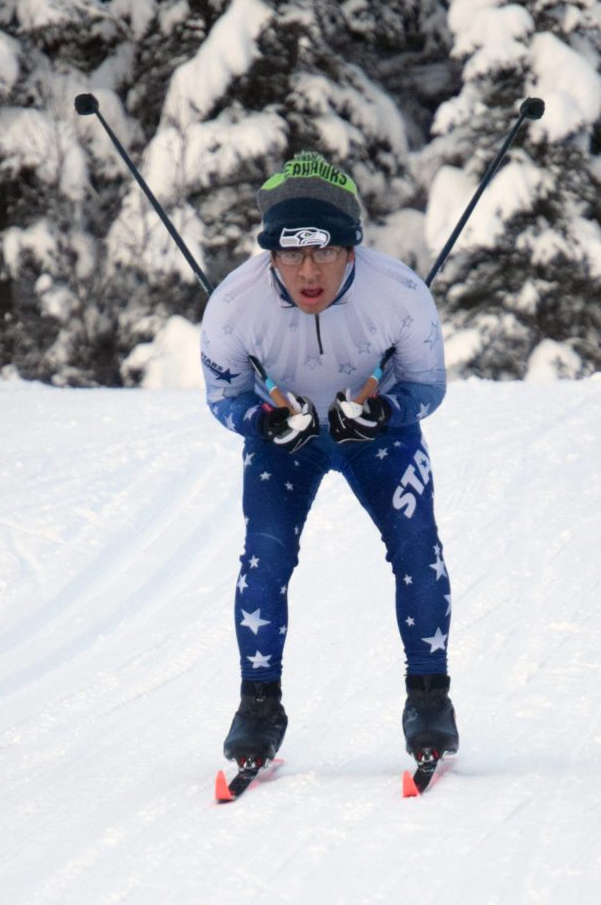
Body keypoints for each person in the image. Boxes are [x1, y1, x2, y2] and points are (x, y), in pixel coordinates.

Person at [200, 151, 458, 769]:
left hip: (374, 432)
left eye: (325, 250)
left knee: (418, 549)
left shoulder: (397, 293)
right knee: (265, 556)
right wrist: (262, 422)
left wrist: (386, 415)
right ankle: (258, 707)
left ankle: (430, 700)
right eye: (289, 253)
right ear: (270, 253)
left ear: (352, 249)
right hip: (285, 440)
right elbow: (222, 397)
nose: (307, 270)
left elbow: (428, 388)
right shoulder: (234, 306)